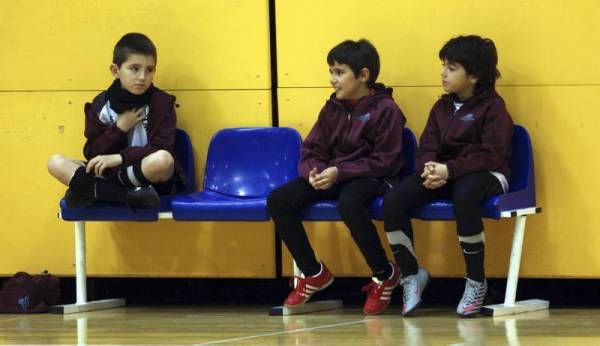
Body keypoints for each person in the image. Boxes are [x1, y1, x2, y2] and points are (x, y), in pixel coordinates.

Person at [267, 39, 406, 315]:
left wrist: (339, 172)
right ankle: (313, 273)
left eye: (339, 72)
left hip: (373, 176)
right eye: (331, 71)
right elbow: (312, 149)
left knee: (350, 202)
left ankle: (385, 273)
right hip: (334, 174)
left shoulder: (386, 109)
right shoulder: (331, 108)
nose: (333, 79)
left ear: (363, 75)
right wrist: (314, 172)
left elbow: (384, 161)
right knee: (279, 200)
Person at [382, 35, 514, 317]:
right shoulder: (441, 107)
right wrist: (429, 168)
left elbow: (492, 155)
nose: (443, 73)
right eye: (443, 65)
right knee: (393, 200)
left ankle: (476, 280)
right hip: (443, 173)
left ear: (475, 75)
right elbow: (427, 146)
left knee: (464, 195)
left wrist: (449, 170)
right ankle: (411, 275)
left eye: (452, 67)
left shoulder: (494, 108)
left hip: (486, 174)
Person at [47, 33, 184, 209]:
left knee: (164, 160)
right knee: (56, 163)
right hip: (107, 173)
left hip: (145, 176)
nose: (142, 77)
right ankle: (127, 196)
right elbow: (92, 153)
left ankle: (94, 191)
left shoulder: (162, 103)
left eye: (149, 70)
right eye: (134, 68)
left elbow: (161, 147)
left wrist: (119, 158)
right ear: (115, 70)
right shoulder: (100, 104)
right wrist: (119, 128)